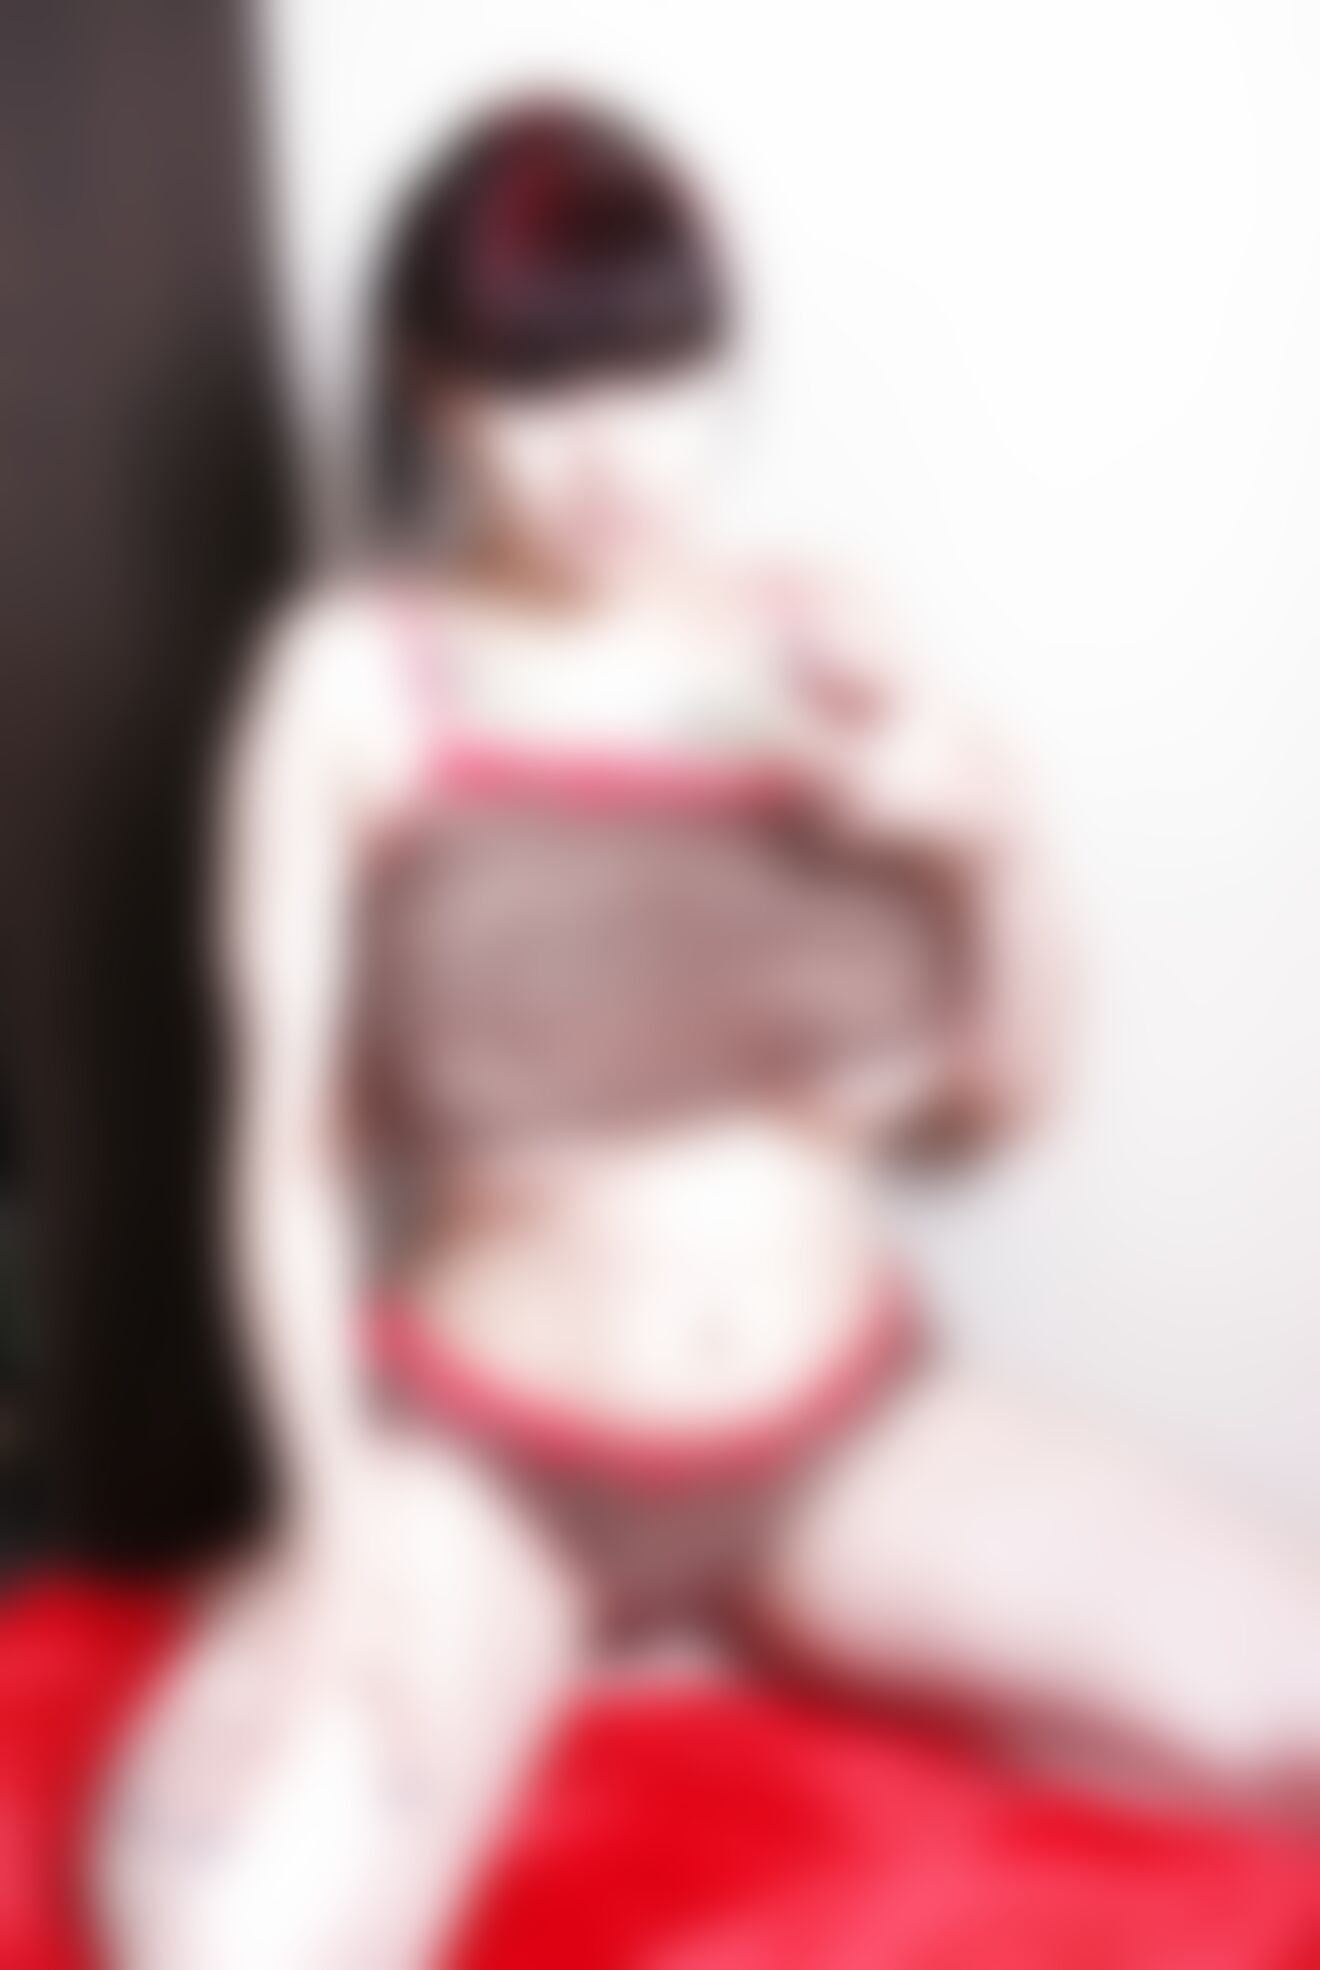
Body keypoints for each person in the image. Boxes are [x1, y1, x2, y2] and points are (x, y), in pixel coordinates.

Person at [90, 93, 1320, 1970]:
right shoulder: (353, 687)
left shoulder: (820, 634)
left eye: (659, 373)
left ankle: (741, 1629)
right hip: (489, 1459)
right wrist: (337, 1533)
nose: (612, 453)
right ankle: (537, 1632)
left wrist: (995, 835)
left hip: (843, 1433)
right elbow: (287, 1160)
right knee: (222, 1930)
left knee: (1287, 1702)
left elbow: (1012, 1095)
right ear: (431, 385)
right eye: (540, 383)